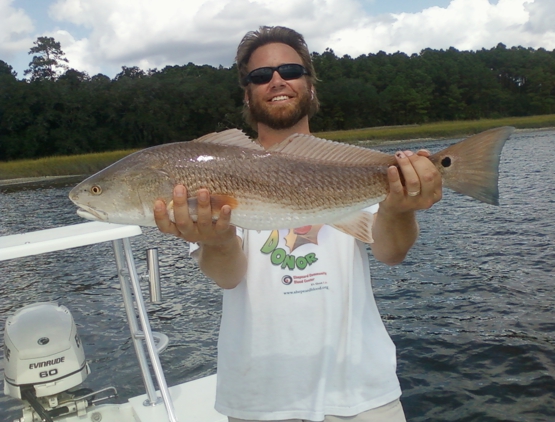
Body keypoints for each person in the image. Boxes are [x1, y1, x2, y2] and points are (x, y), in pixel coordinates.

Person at [154, 26, 442, 422]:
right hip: (258, 400)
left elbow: (391, 252)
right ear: (246, 92)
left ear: (310, 85)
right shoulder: (207, 170)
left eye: (290, 70)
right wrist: (218, 241)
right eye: (259, 75)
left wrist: (399, 207)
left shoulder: (345, 168)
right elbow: (228, 276)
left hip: (363, 394)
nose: (276, 80)